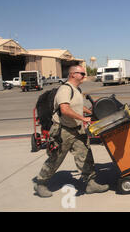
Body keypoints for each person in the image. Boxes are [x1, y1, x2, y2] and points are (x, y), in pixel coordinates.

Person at [34, 65, 109, 198]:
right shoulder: (65, 89)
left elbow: (79, 107)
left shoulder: (76, 89)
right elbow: (65, 109)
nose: (84, 76)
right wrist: (82, 118)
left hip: (77, 129)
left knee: (85, 154)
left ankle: (90, 183)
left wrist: (92, 113)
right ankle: (41, 183)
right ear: (73, 74)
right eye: (81, 73)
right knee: (56, 158)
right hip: (63, 131)